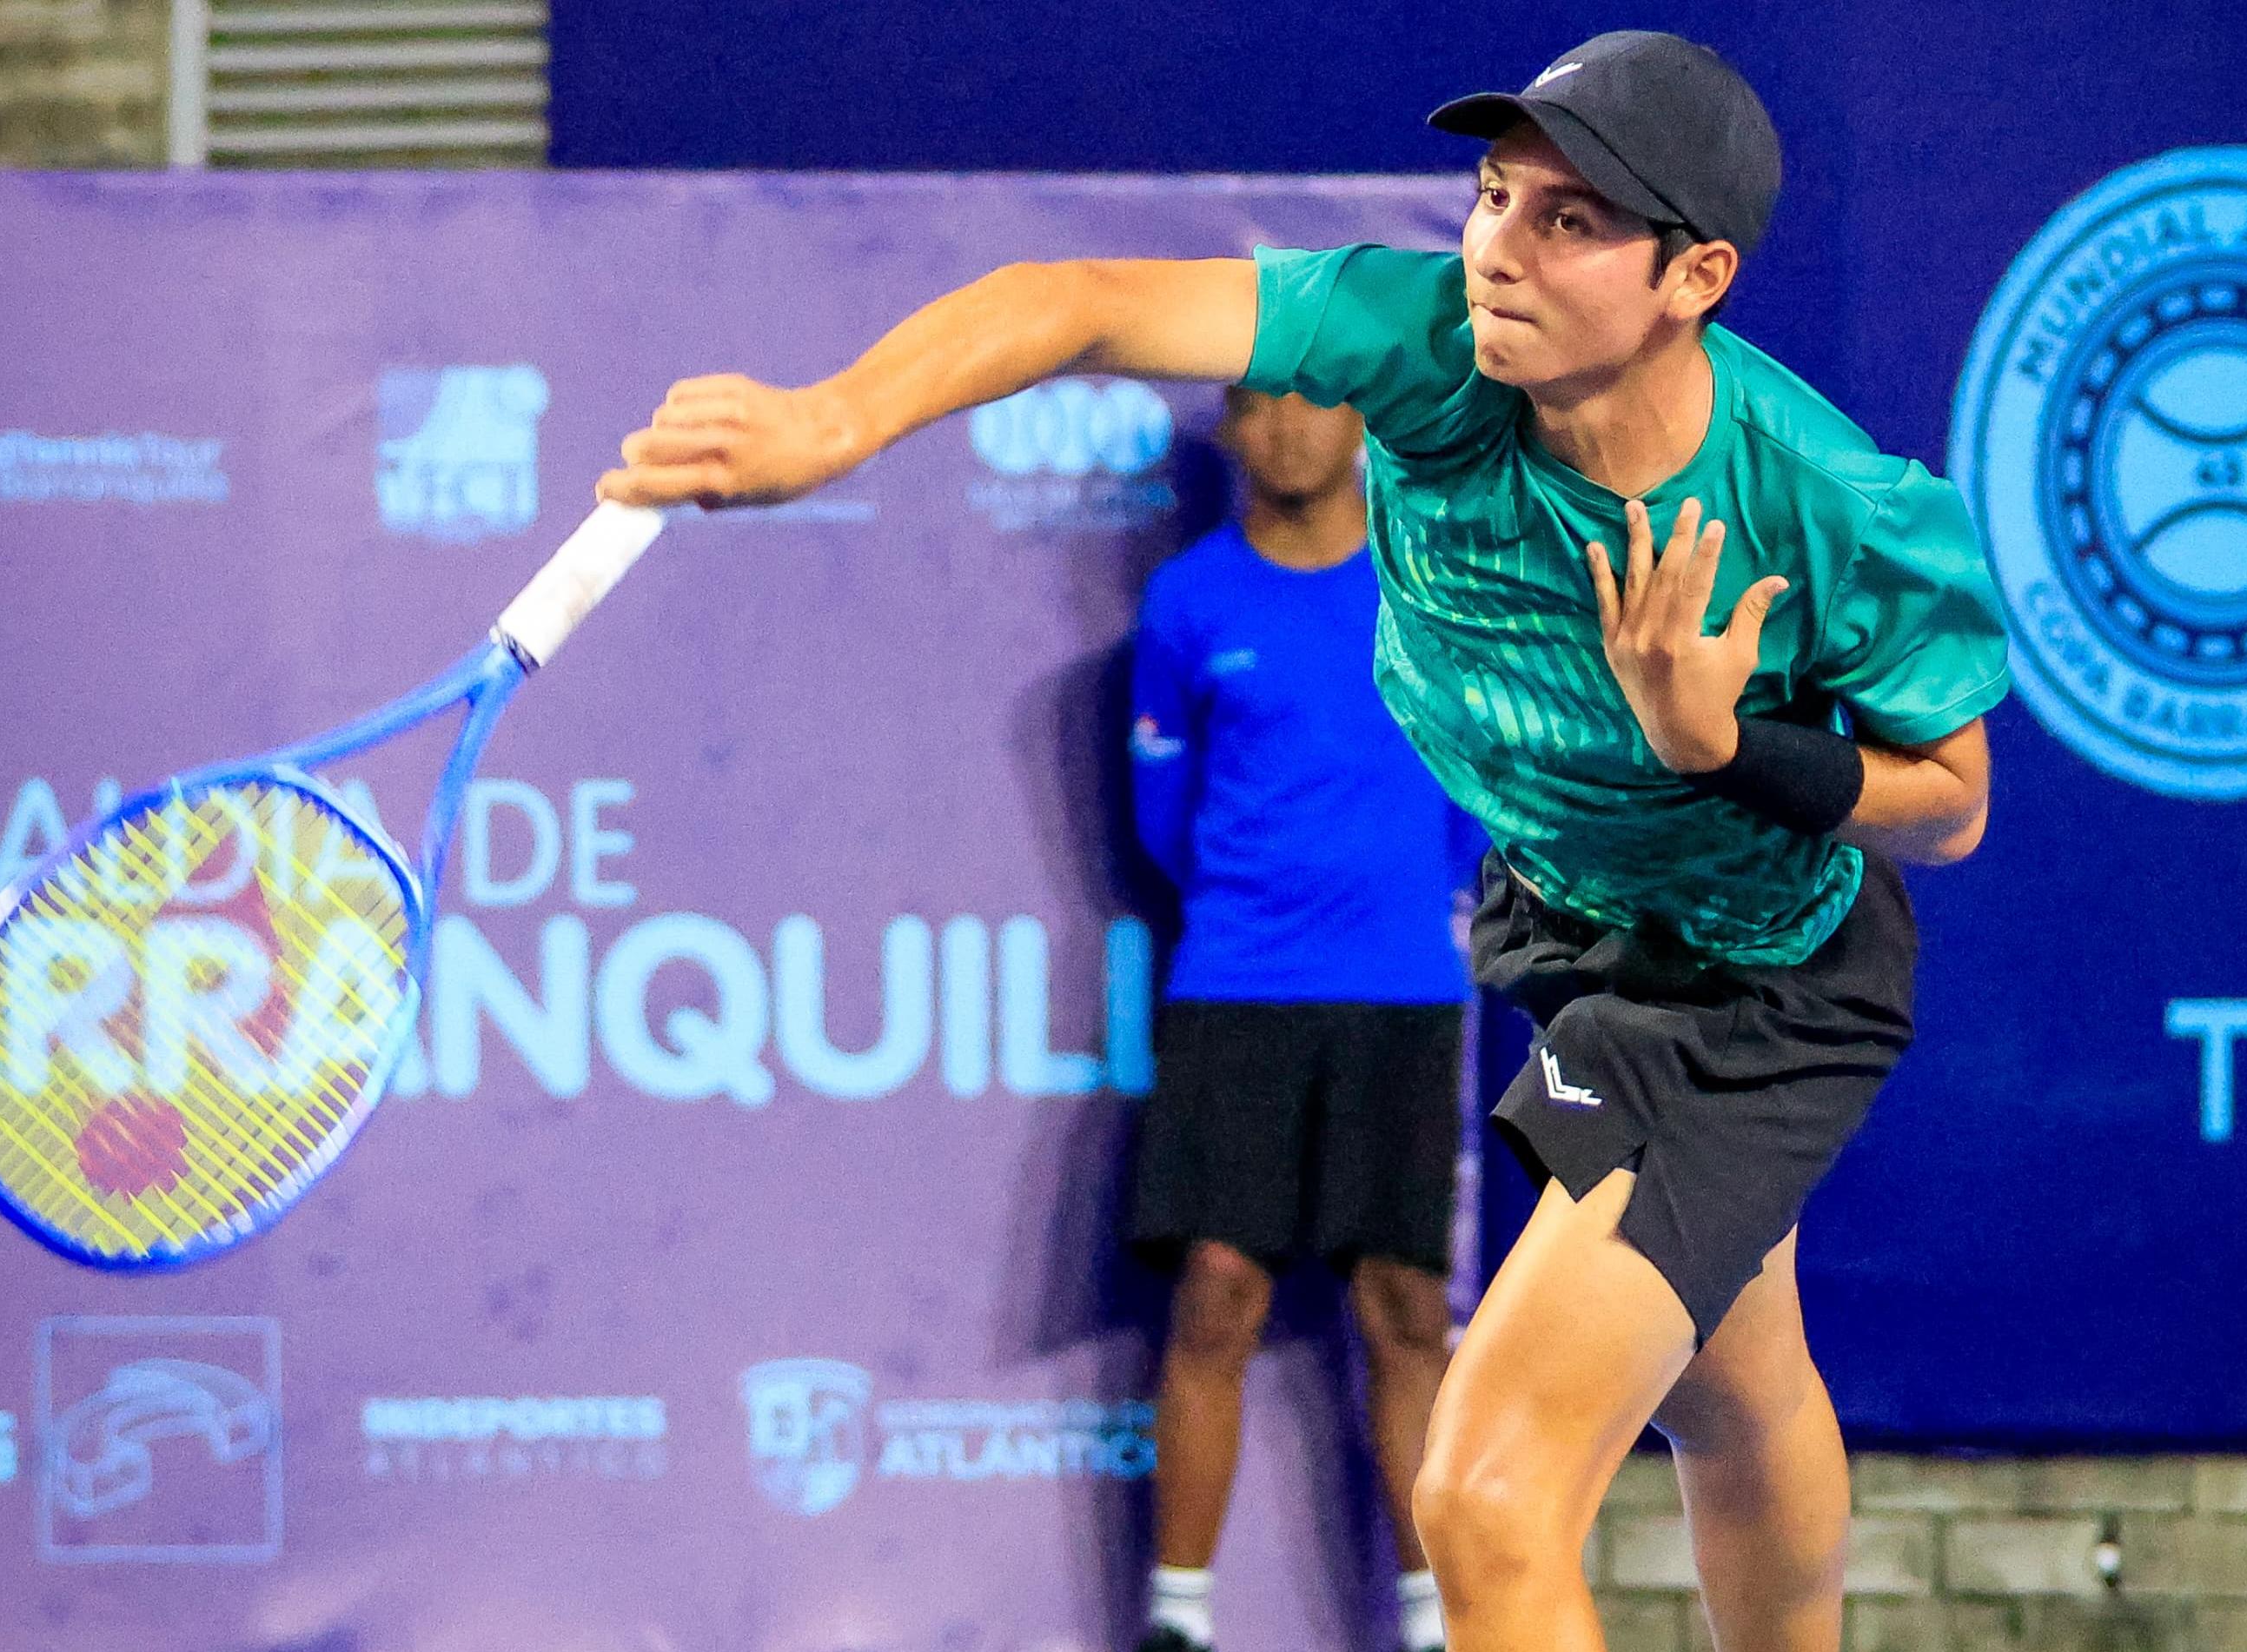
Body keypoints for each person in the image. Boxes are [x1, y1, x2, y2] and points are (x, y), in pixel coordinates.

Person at [600, 30, 2005, 1651]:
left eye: (1569, 221)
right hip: (1582, 927)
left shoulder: (1824, 501)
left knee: (1485, 1498)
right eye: (1495, 194)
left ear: (1695, 275)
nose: (1500, 247)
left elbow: (1953, 801)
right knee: (1732, 1379)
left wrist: (1724, 744)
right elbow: (1085, 300)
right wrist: (831, 421)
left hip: (1759, 984)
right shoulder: (1422, 339)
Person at [1124, 383, 1481, 1652]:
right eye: (1260, 405)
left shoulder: (1429, 597)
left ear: (1364, 426)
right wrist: (1262, 906)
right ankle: (1179, 1617)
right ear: (1229, 429)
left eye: (1315, 401)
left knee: (1406, 1307)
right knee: (1218, 1291)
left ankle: (1434, 1623)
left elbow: (1472, 802)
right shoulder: (1188, 602)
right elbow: (1163, 820)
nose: (1287, 428)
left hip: (1401, 989)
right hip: (1236, 988)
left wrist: (1396, 903)